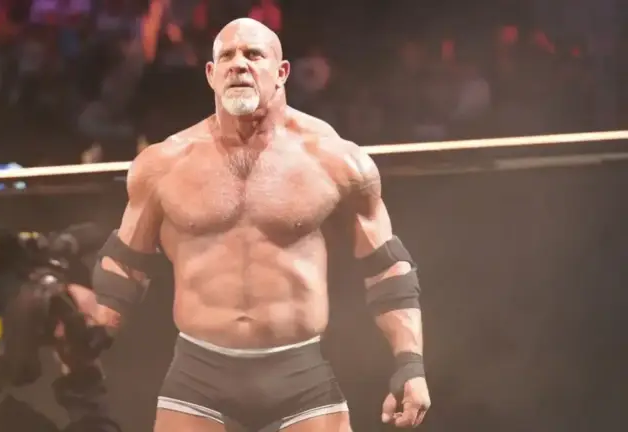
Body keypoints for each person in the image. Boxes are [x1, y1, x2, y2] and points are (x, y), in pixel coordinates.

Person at [91, 18, 431, 431]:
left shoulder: (334, 160)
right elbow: (124, 269)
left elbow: (387, 269)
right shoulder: (164, 164)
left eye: (253, 54)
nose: (239, 64)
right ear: (211, 74)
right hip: (197, 378)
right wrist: (87, 347)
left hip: (301, 376)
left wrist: (410, 364)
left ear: (282, 71)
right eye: (227, 56)